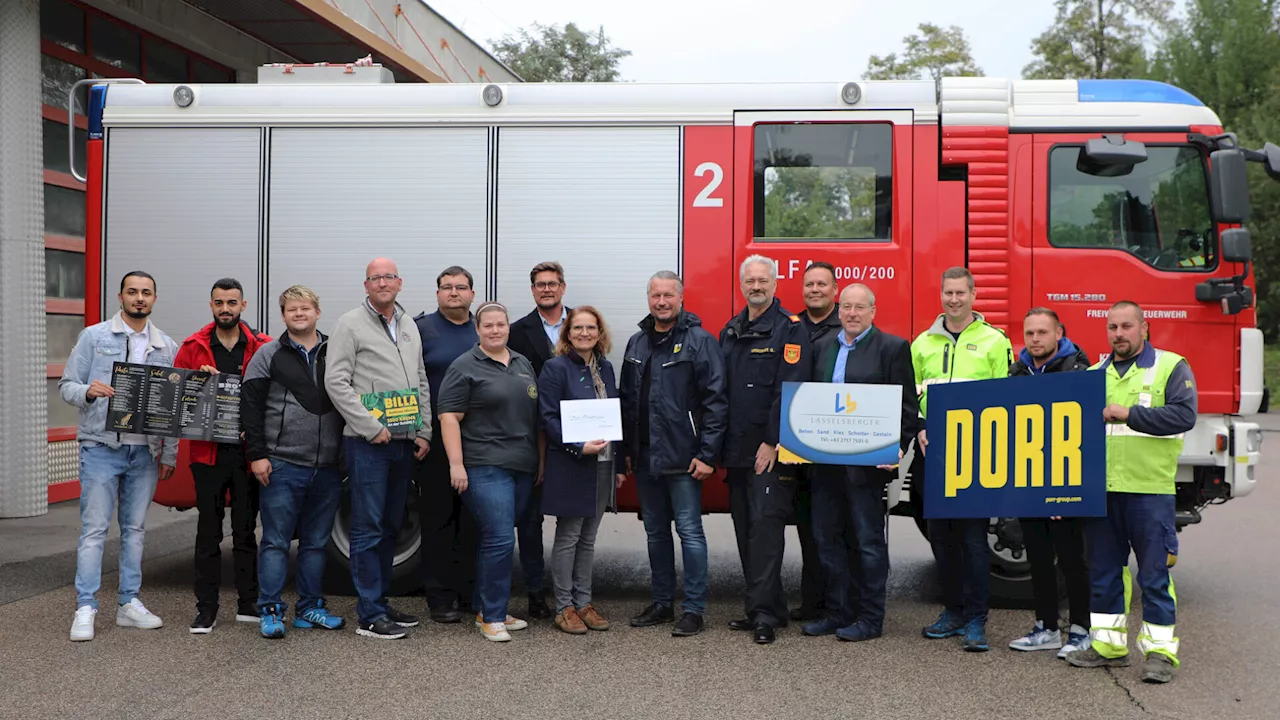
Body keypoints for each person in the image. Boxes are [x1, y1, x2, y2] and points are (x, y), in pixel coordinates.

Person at [1065, 301, 1196, 684]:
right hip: (1102, 491)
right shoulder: (1093, 373)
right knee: (1105, 573)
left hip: (1148, 490)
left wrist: (1128, 414)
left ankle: (1160, 655)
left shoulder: (1170, 366)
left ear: (1144, 328)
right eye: (1112, 327)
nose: (1118, 334)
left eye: (1126, 326)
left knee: (1154, 576)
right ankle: (1108, 647)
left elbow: (1184, 415)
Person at [60, 271, 178, 641]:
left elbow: (174, 407)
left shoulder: (165, 346)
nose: (139, 298)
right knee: (94, 530)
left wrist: (168, 453)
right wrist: (88, 392)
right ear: (120, 296)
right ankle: (86, 607)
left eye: (146, 293)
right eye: (132, 292)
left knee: (135, 532)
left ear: (155, 298)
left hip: (144, 452)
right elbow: (67, 386)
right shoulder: (94, 336)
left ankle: (129, 603)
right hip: (101, 447)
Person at [802, 283, 917, 643]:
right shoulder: (821, 346)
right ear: (839, 310)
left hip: (868, 467)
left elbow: (907, 409)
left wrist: (895, 447)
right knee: (827, 538)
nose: (852, 313)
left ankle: (870, 617)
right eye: (847, 307)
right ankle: (839, 612)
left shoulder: (892, 348)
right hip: (824, 464)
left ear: (873, 311)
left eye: (859, 307)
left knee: (868, 542)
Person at [324, 258, 432, 640]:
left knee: (389, 526)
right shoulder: (349, 324)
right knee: (368, 528)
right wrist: (371, 428)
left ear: (399, 283)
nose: (383, 283)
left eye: (389, 277)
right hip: (368, 445)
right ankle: (369, 615)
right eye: (376, 278)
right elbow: (335, 382)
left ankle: (381, 601)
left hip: (404, 442)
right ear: (365, 285)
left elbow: (419, 378)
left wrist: (425, 430)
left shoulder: (407, 325)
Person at [620, 270, 727, 637]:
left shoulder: (700, 341)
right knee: (655, 533)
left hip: (685, 457)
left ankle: (694, 609)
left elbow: (716, 401)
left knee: (690, 532)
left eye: (668, 295)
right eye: (655, 296)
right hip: (647, 457)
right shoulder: (636, 343)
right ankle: (663, 603)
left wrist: (708, 454)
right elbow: (627, 402)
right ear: (648, 299)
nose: (661, 302)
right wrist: (627, 452)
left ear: (681, 299)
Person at [912, 266, 1013, 652]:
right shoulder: (922, 343)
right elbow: (912, 398)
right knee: (941, 539)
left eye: (960, 293)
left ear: (973, 295)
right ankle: (952, 612)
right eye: (948, 293)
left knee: (972, 540)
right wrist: (918, 426)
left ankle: (976, 619)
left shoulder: (994, 341)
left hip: (974, 457)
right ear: (941, 295)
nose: (954, 299)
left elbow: (1005, 400)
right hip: (933, 455)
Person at [241, 285, 347, 639]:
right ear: (283, 315)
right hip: (283, 463)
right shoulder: (267, 354)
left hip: (329, 467)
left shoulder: (337, 350)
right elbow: (250, 410)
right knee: (275, 541)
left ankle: (310, 608)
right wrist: (257, 455)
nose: (299, 314)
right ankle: (270, 611)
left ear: (317, 311)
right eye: (291, 310)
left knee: (316, 543)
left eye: (305, 308)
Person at [438, 302, 544, 642]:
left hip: (522, 466)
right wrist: (456, 464)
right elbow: (449, 417)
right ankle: (491, 616)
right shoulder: (465, 366)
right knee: (499, 536)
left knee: (497, 538)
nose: (495, 330)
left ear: (508, 327)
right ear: (478, 329)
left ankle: (489, 606)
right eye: (489, 325)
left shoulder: (521, 363)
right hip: (484, 465)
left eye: (501, 324)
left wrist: (539, 461)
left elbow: (534, 416)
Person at [719, 255, 811, 644]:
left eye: (763, 280)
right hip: (736, 450)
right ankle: (766, 605)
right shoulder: (731, 329)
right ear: (742, 285)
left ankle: (763, 618)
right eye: (750, 280)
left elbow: (790, 391)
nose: (756, 286)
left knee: (766, 531)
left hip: (768, 451)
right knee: (745, 530)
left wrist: (772, 441)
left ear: (775, 284)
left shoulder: (791, 330)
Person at [174, 278, 272, 633]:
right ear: (211, 306)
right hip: (208, 455)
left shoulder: (262, 346)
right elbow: (175, 402)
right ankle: (206, 609)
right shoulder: (192, 347)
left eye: (232, 302)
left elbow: (272, 398)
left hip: (249, 455)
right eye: (219, 303)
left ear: (244, 306)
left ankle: (248, 603)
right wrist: (196, 384)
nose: (225, 308)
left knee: (246, 533)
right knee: (208, 533)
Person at [1006, 307, 1093, 658]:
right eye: (1030, 334)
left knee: (1073, 559)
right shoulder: (1017, 369)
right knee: (1038, 560)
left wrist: (1065, 487)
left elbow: (1085, 432)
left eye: (1042, 333)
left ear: (1059, 333)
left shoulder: (1079, 369)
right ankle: (1046, 628)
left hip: (1066, 483)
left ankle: (1081, 629)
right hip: (1030, 482)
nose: (1035, 340)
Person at [537, 306, 627, 635]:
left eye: (591, 328)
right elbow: (548, 417)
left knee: (588, 539)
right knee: (569, 537)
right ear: (567, 333)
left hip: (603, 465)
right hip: (573, 463)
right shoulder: (555, 368)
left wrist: (618, 462)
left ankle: (584, 602)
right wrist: (577, 446)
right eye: (578, 328)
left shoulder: (605, 367)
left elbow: (615, 414)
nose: (585, 333)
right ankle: (564, 607)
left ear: (600, 333)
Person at [413, 266, 480, 624]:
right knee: (438, 519)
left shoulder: (485, 329)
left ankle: (469, 593)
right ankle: (439, 597)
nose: (454, 293)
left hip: (480, 441)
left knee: (473, 520)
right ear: (437, 293)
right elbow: (410, 382)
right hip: (435, 440)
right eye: (446, 287)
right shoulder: (420, 330)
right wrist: (418, 431)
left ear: (472, 293)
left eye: (461, 287)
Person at [505, 261, 570, 620]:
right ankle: (535, 592)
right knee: (529, 521)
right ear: (532, 291)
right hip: (532, 437)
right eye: (540, 285)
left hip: (574, 439)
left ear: (563, 287)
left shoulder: (582, 323)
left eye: (552, 283)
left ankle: (573, 593)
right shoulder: (517, 332)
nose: (546, 289)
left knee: (574, 518)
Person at [793, 261, 845, 622]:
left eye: (822, 284)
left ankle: (839, 603)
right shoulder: (789, 326)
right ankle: (812, 601)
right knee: (807, 526)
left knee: (835, 528)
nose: (814, 289)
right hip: (797, 441)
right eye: (809, 284)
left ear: (834, 290)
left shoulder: (848, 328)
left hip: (836, 441)